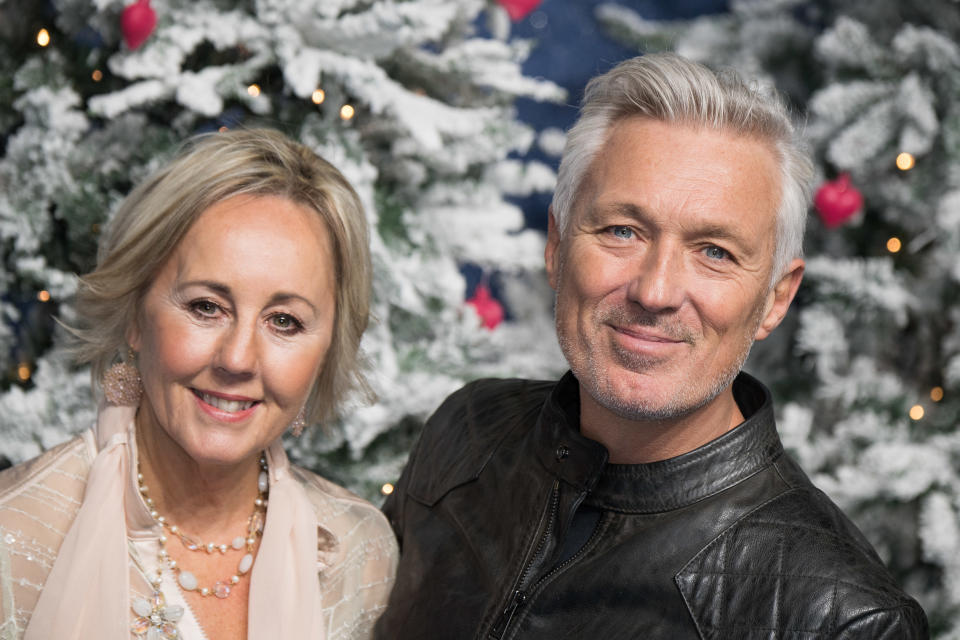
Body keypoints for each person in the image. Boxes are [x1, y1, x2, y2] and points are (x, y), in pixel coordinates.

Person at [375, 54, 929, 638]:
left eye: (715, 251)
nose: (656, 291)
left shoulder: (840, 619)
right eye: (623, 231)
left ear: (775, 298)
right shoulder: (466, 430)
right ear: (557, 248)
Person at [0, 129, 398, 639]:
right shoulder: (14, 540)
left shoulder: (361, 553)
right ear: (135, 318)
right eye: (206, 307)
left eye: (285, 322)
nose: (237, 358)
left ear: (326, 352)